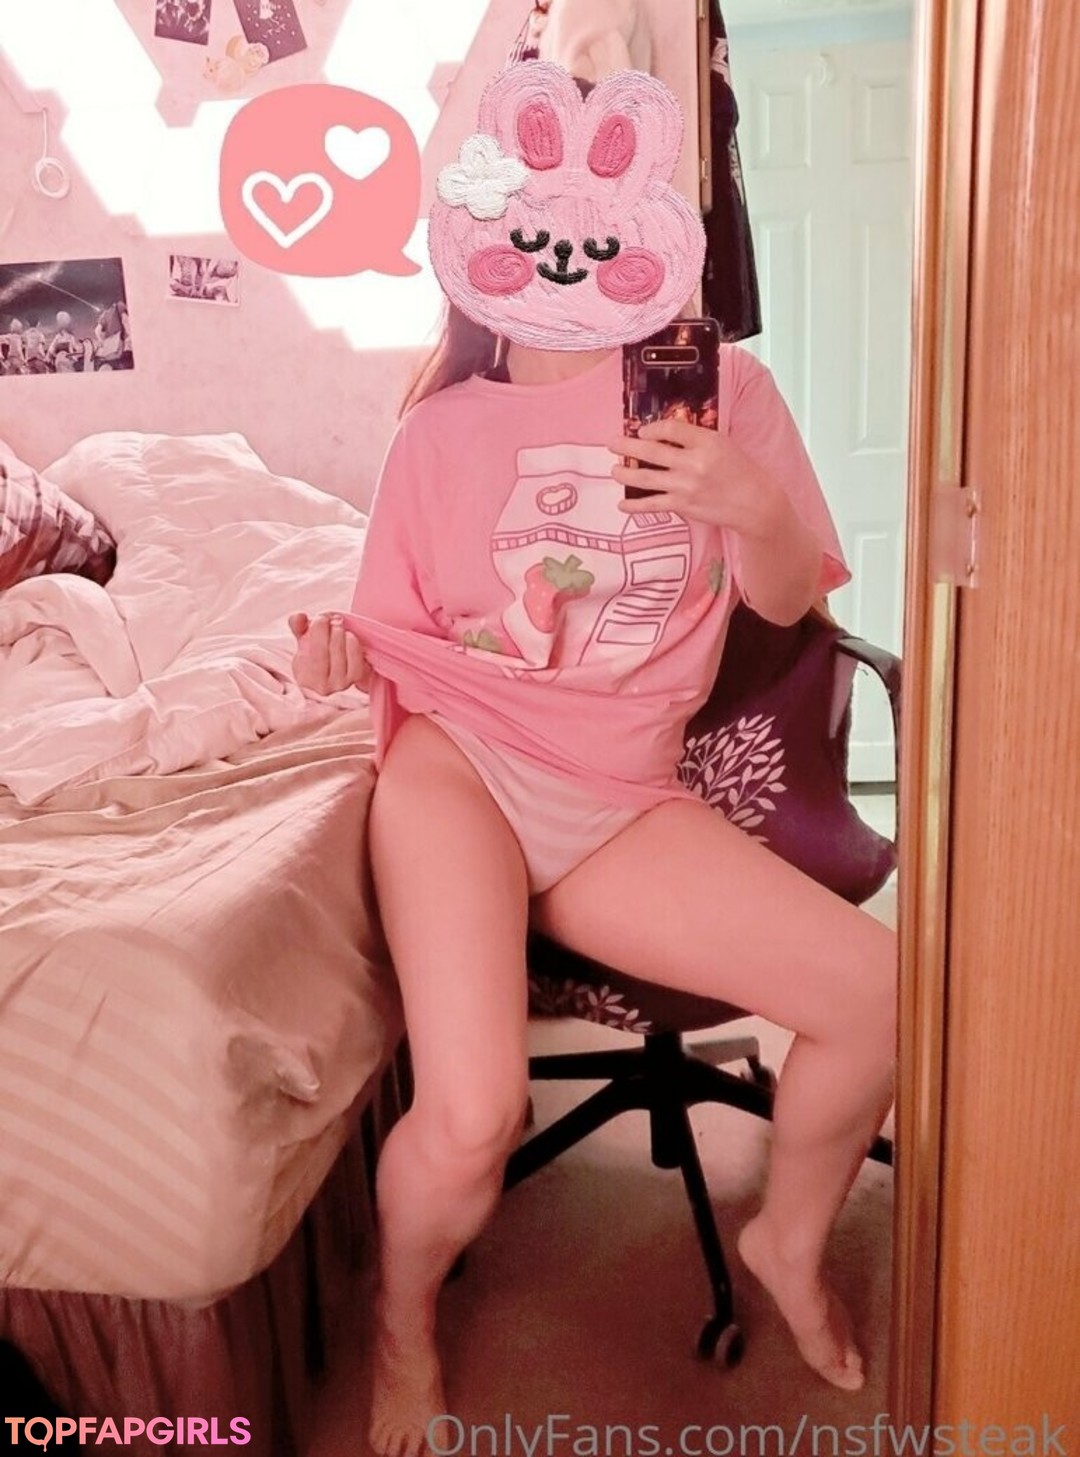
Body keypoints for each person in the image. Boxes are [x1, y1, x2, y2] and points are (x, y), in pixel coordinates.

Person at [291, 59, 896, 1457]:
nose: (568, 255)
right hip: (462, 767)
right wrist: (333, 657)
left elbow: (791, 597)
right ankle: (402, 1322)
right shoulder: (438, 432)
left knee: (879, 994)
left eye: (598, 226)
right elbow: (393, 641)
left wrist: (749, 504)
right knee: (474, 1114)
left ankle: (788, 1242)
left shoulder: (721, 390)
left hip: (620, 794)